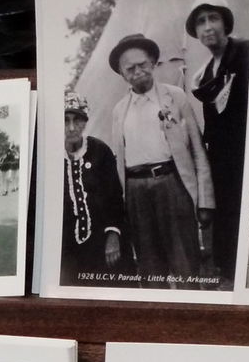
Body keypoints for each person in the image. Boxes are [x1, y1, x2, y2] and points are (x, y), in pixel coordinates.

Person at [105, 32, 216, 289]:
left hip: (172, 185)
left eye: (143, 64)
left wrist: (205, 200)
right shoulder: (119, 111)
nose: (138, 72)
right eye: (130, 68)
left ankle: (191, 315)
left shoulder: (174, 97)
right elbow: (118, 161)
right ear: (122, 74)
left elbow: (198, 150)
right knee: (149, 267)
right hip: (135, 193)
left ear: (153, 63)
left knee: (185, 263)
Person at [185, 0, 249, 284]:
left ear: (225, 22)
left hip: (244, 153)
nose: (207, 27)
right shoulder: (205, 74)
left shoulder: (246, 53)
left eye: (213, 18)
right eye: (200, 22)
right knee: (224, 216)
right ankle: (226, 273)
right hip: (220, 158)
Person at [60, 91, 128, 286]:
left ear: (85, 122)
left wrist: (113, 236)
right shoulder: (49, 156)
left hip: (103, 245)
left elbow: (115, 198)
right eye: (65, 121)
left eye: (77, 120)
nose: (71, 128)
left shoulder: (100, 151)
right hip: (67, 251)